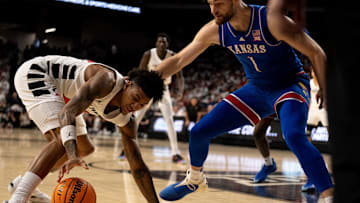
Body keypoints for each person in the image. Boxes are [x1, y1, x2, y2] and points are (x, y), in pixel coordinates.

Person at [155, 0, 333, 202]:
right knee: (198, 131)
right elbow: (179, 60)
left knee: (293, 135)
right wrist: (145, 78)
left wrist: (326, 89)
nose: (213, 10)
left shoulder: (270, 20)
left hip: (289, 85)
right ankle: (195, 179)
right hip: (257, 89)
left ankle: (329, 195)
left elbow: (316, 52)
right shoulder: (216, 29)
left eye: (219, 3)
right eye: (210, 3)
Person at [4, 55, 164, 203]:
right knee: (64, 139)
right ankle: (18, 198)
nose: (135, 107)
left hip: (66, 96)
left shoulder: (128, 121)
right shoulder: (107, 80)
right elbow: (67, 112)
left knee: (85, 148)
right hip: (37, 73)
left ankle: (22, 183)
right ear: (127, 83)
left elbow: (139, 168)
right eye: (135, 98)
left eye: (142, 105)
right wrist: (72, 155)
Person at [135, 33, 186, 164]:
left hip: (163, 89)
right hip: (149, 88)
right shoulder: (148, 54)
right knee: (136, 118)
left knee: (169, 120)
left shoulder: (172, 55)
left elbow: (180, 76)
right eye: (159, 42)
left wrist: (180, 91)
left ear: (167, 44)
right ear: (156, 43)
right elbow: (140, 73)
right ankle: (126, 150)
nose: (162, 44)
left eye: (164, 42)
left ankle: (175, 153)